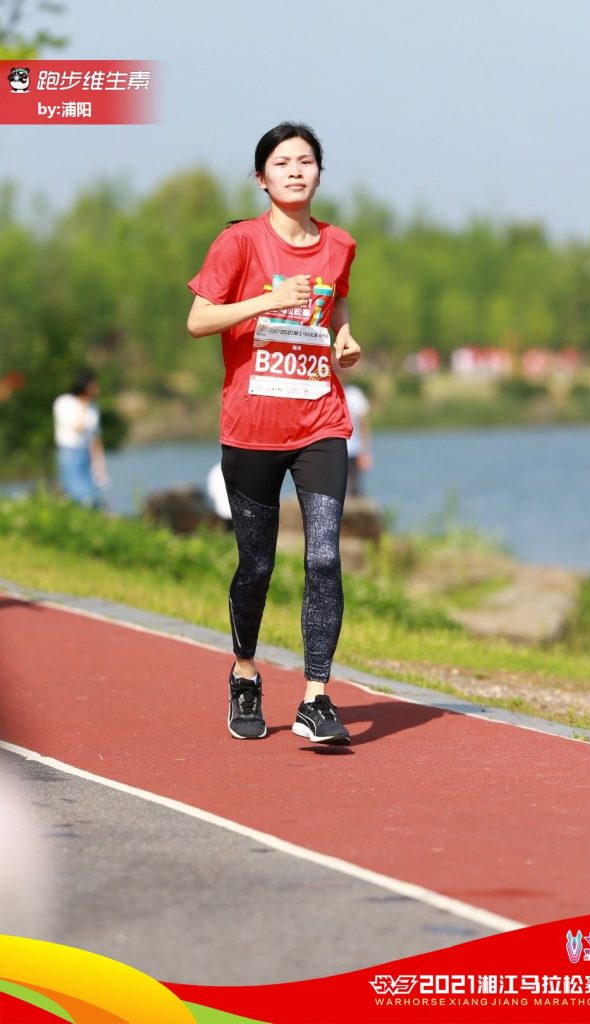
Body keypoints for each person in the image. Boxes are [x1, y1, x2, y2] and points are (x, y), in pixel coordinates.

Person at [187, 122, 361, 744]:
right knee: (256, 564)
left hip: (320, 421)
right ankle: (243, 673)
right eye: (282, 162)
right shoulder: (238, 243)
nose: (295, 170)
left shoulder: (339, 243)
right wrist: (268, 301)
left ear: (319, 173)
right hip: (252, 427)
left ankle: (316, 696)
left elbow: (335, 299)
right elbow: (199, 319)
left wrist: (343, 336)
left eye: (306, 160)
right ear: (261, 178)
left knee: (322, 558)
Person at [52, 370, 109, 507]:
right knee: (80, 494)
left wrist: (100, 466)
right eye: (94, 385)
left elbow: (96, 437)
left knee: (91, 493)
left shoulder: (94, 407)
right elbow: (77, 427)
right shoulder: (64, 402)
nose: (97, 389)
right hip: (69, 452)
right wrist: (83, 407)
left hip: (86, 452)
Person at [339, 371, 373, 496]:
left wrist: (366, 451)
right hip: (333, 449)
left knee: (355, 487)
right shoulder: (327, 392)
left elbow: (364, 424)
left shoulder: (354, 394)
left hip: (353, 449)